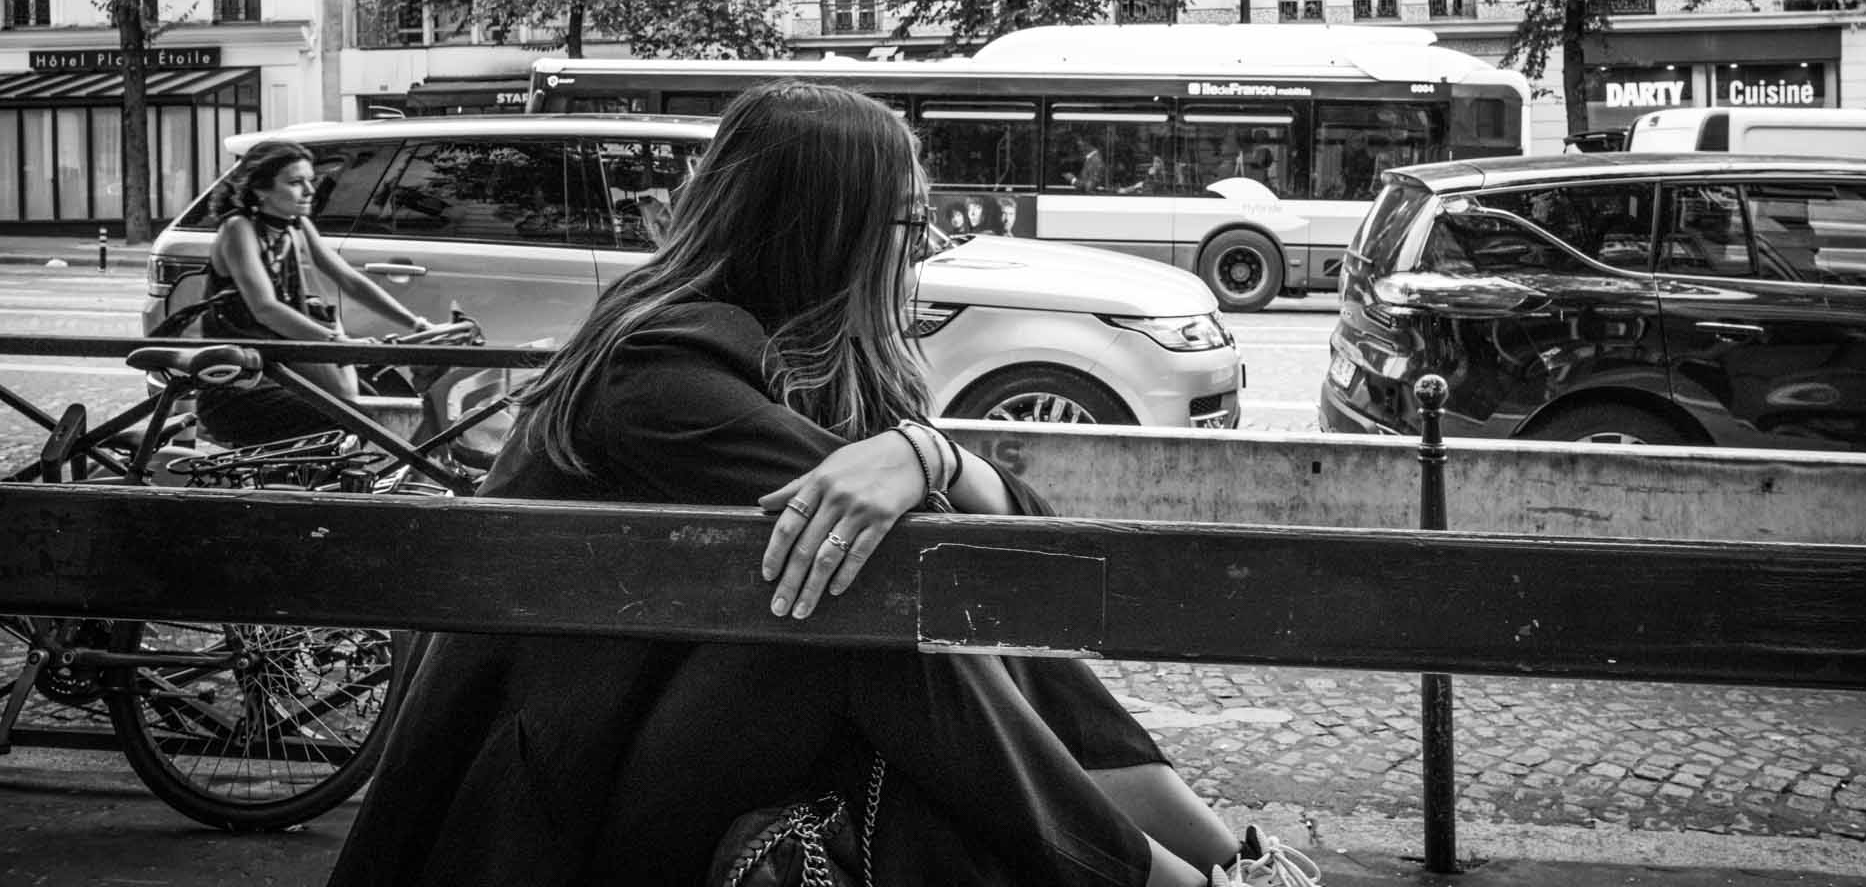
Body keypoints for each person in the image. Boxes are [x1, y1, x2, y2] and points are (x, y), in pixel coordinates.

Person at [327, 81, 1312, 887]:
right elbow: (941, 557)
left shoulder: (790, 354)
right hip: (551, 806)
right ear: (821, 228)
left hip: (646, 745)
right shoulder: (657, 371)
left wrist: (931, 452)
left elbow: (1020, 556)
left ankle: (1222, 860)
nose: (921, 253)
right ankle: (1167, 878)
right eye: (910, 225)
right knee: (866, 603)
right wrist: (926, 461)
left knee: (885, 599)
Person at [195, 139, 432, 445]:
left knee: (373, 404)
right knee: (351, 417)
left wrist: (414, 323)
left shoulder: (296, 226)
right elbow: (265, 308)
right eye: (296, 183)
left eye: (311, 181)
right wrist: (338, 341)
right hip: (240, 381)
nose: (310, 191)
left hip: (281, 368)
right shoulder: (238, 229)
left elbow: (349, 280)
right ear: (260, 189)